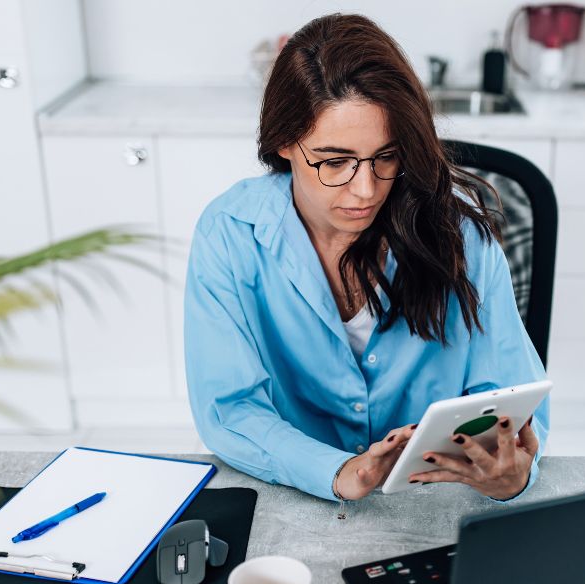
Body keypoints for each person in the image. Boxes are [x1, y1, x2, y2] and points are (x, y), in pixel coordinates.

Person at [183, 13, 548, 503]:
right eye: (335, 162)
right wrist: (340, 471)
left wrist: (513, 476)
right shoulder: (230, 234)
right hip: (294, 498)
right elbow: (230, 409)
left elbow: (514, 403)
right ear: (284, 143)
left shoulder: (463, 239)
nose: (366, 189)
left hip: (431, 504)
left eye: (386, 157)